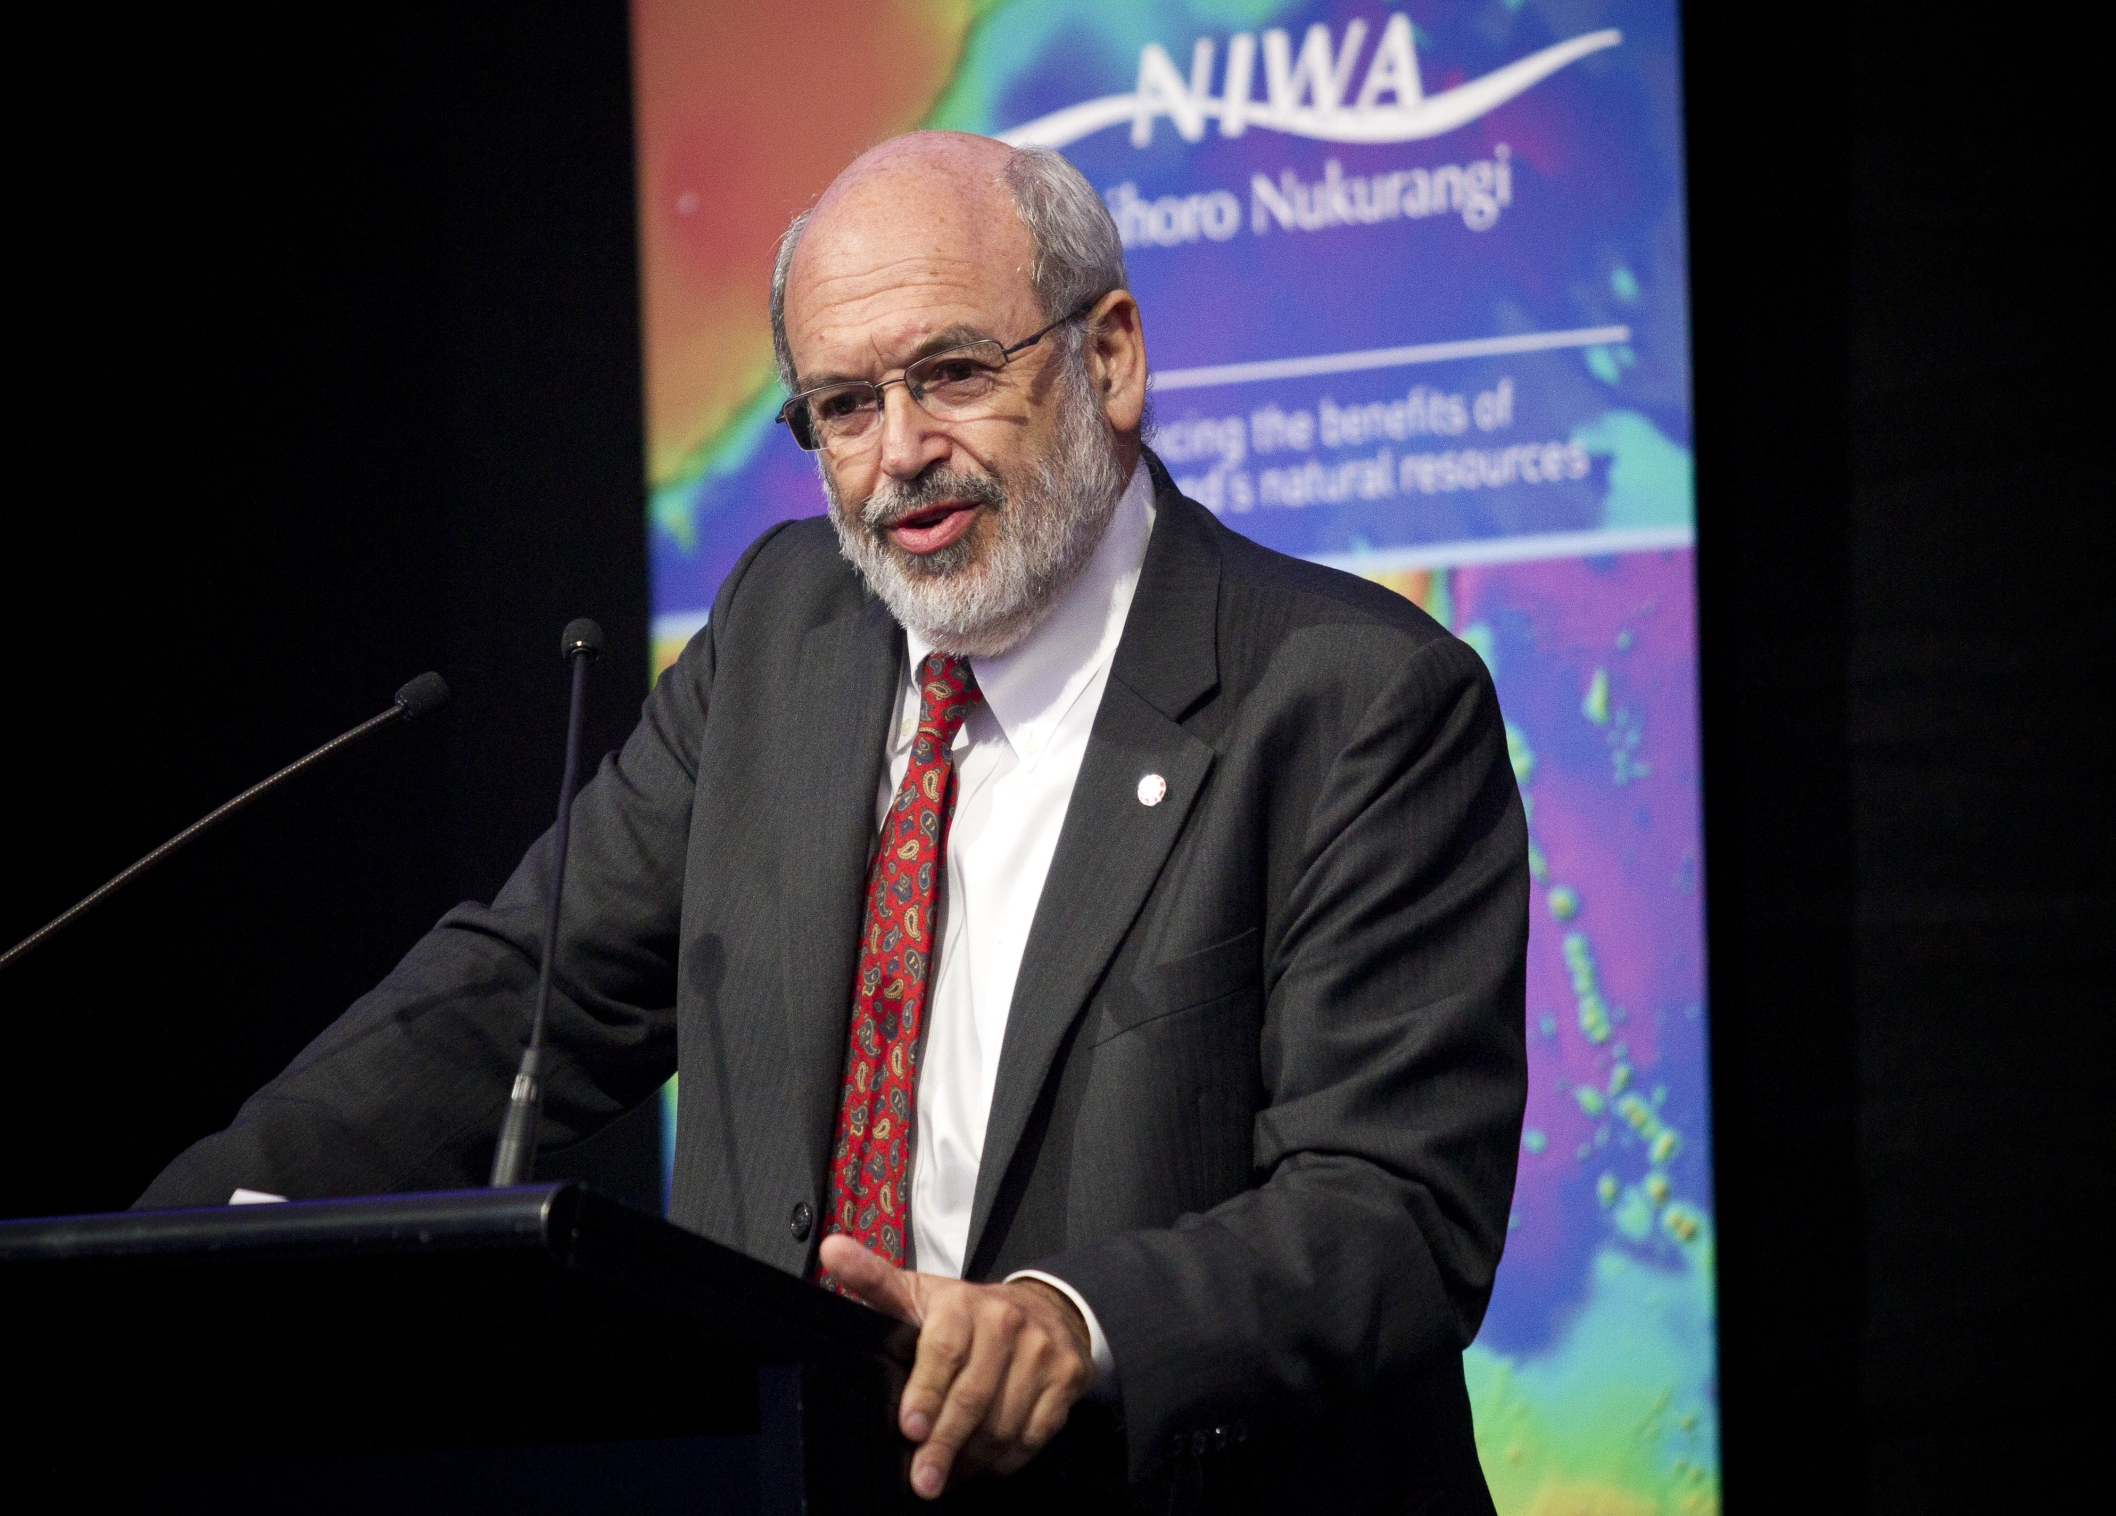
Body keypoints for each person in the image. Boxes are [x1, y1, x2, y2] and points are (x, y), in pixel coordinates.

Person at [137, 131, 1529, 1508]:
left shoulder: (1355, 699)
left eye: (953, 374)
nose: (899, 456)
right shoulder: (782, 630)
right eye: (844, 406)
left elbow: (1392, 1212)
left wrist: (1069, 1323)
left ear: (1109, 357)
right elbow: (519, 995)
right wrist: (152, 1255)